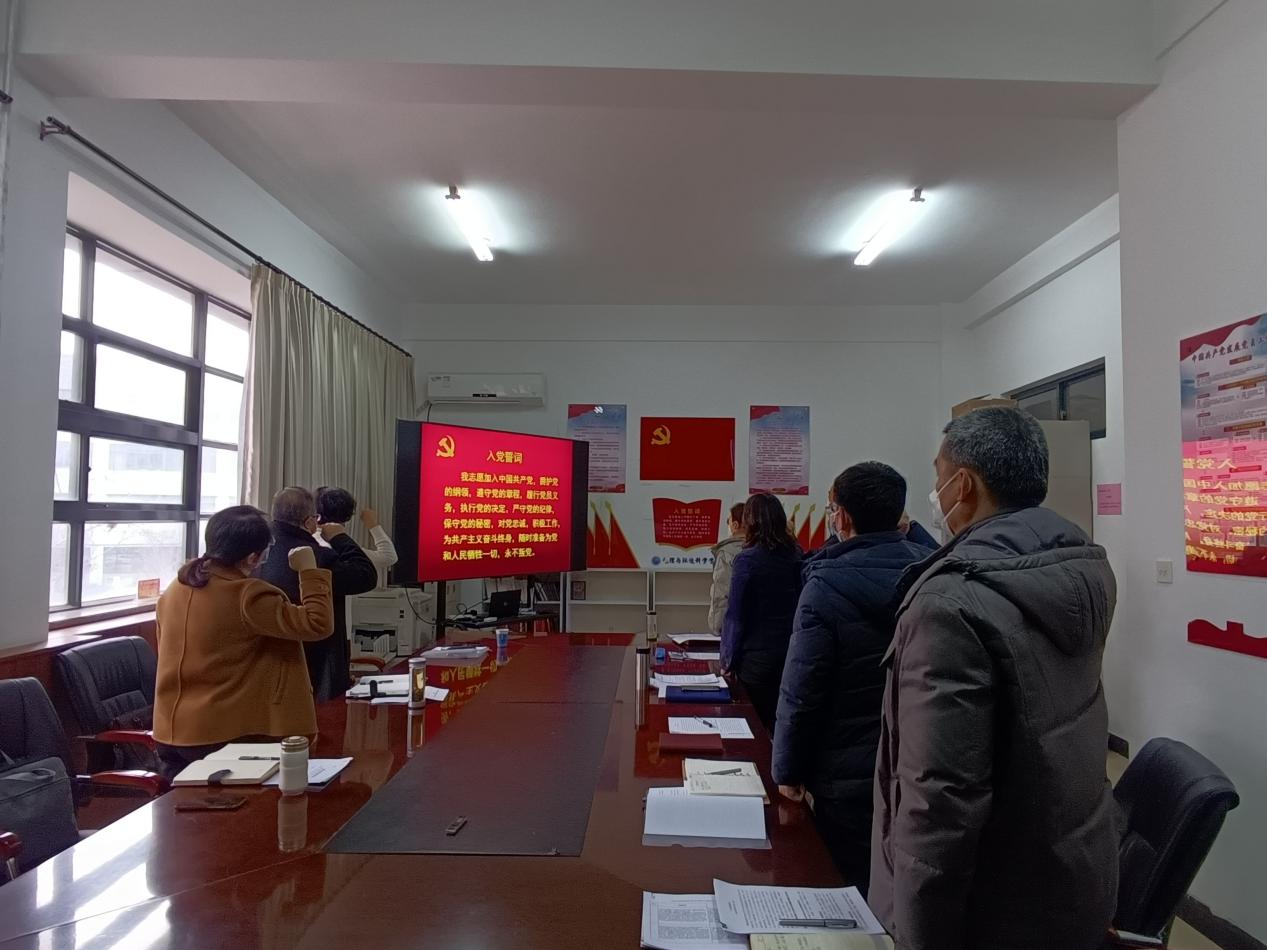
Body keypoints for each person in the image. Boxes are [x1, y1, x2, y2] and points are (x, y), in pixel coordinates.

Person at [870, 408, 1118, 950]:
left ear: (963, 485)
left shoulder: (949, 604)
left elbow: (940, 802)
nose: (935, 494)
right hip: (1069, 877)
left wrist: (916, 935)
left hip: (992, 909)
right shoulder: (1080, 565)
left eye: (939, 476)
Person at [772, 462, 932, 891]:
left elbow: (802, 691)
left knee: (845, 889)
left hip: (843, 777)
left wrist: (787, 771)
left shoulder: (824, 585)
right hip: (920, 766)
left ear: (840, 517)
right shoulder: (932, 573)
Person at [153, 506, 334, 779]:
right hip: (227, 734)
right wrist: (309, 570)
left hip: (171, 731)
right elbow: (317, 624)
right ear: (252, 557)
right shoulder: (247, 596)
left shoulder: (175, 589)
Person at [257, 486, 377, 702]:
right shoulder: (316, 556)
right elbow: (365, 576)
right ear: (309, 522)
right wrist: (340, 538)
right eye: (315, 517)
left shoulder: (257, 553)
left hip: (268, 669)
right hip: (316, 670)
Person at [720, 493, 803, 730]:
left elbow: (736, 615)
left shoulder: (747, 560)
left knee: (754, 727)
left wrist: (727, 659)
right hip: (791, 654)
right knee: (782, 724)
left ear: (750, 522)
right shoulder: (796, 554)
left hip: (755, 660)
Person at [315, 486, 399, 589]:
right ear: (347, 516)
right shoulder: (344, 549)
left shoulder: (306, 541)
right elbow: (389, 556)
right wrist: (373, 525)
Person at [707, 502, 747, 634]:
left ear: (735, 525)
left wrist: (717, 627)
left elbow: (721, 594)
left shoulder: (726, 553)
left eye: (728, 521)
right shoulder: (763, 549)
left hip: (733, 628)